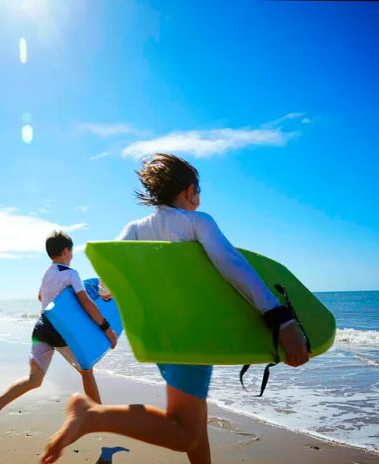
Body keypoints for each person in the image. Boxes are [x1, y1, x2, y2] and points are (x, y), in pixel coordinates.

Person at [41, 154, 310, 464]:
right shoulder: (197, 221)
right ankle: (92, 415)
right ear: (189, 189)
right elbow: (231, 264)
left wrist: (106, 290)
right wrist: (281, 319)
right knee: (185, 432)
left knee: (193, 420)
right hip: (191, 336)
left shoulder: (136, 228)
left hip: (157, 340)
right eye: (199, 191)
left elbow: (106, 285)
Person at [0, 231, 118, 442]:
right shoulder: (71, 273)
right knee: (86, 370)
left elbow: (40, 297)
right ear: (66, 251)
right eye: (72, 250)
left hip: (42, 328)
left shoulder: (48, 273)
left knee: (34, 379)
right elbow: (86, 302)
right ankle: (100, 417)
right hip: (62, 333)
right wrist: (106, 328)